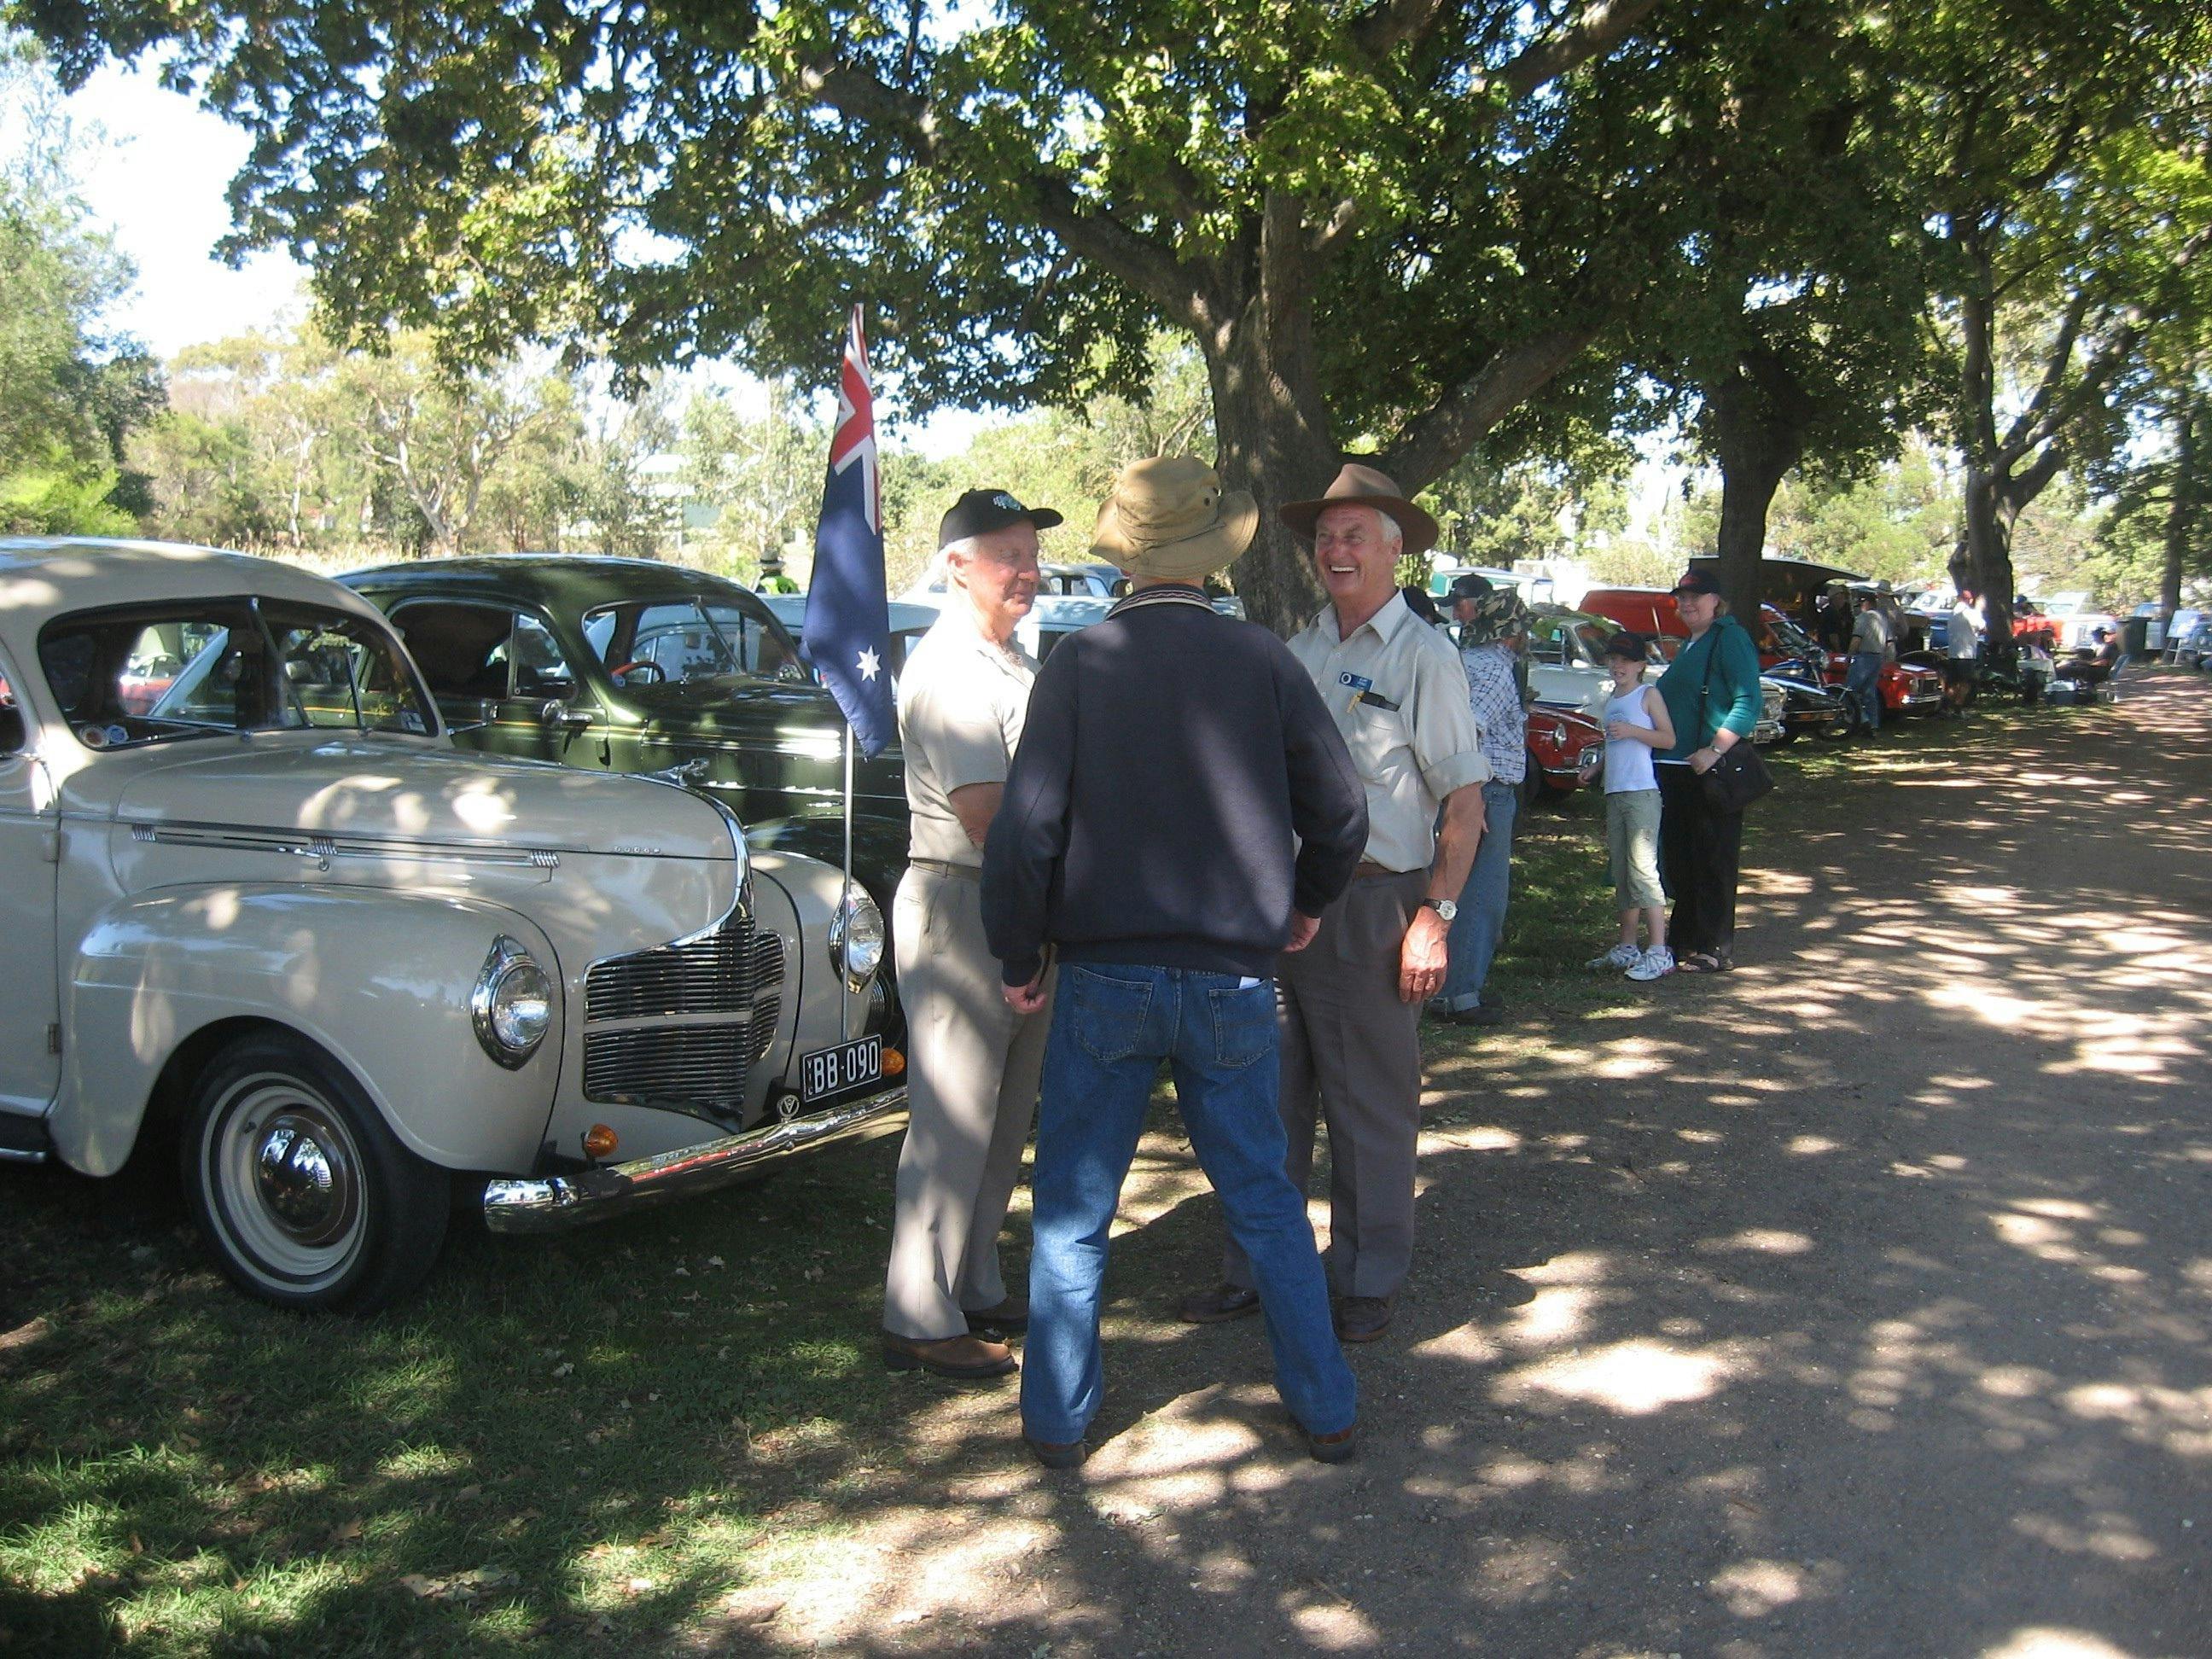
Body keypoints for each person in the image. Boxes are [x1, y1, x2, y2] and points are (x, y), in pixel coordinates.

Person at [981, 456, 1368, 1468]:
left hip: (1105, 975)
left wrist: (1019, 951)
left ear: (1127, 555)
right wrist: (1308, 903)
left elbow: (1024, 835)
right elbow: (1344, 812)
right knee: (1268, 1202)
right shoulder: (1266, 664)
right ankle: (1325, 1407)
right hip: (1234, 976)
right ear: (1210, 556)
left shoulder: (1079, 662)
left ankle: (1057, 1422)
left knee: (1073, 1209)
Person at [1179, 464, 1489, 1345]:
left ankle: (1364, 1277)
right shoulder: (1300, 648)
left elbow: (1464, 805)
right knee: (1262, 1100)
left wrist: (1436, 917)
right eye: (1326, 535)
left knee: (1369, 1105)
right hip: (1279, 907)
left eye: (1356, 534)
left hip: (1371, 907)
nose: (1336, 548)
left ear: (1397, 551)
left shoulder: (1425, 656)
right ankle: (1256, 1267)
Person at [879, 486, 1063, 1380]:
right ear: (958, 565)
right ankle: (918, 1314)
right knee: (952, 1119)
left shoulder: (1012, 661)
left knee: (1000, 1118)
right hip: (968, 903)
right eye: (1008, 556)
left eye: (1031, 553)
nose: (1028, 570)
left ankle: (972, 1281)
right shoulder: (951, 668)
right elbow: (990, 817)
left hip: (1016, 905)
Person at [1654, 568, 1763, 975]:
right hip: (1676, 768)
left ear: (1716, 600)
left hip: (1709, 769)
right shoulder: (1689, 644)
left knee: (1713, 857)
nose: (1686, 603)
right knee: (1682, 858)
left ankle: (1714, 946)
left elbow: (1748, 700)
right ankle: (1682, 938)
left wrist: (1715, 749)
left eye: (1695, 596)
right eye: (1681, 597)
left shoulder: (1728, 637)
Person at [1431, 573, 1528, 1025]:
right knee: (1481, 894)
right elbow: (1466, 733)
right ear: (1510, 630)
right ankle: (1459, 994)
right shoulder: (1492, 671)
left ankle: (1449, 987)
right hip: (1486, 789)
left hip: (1471, 789)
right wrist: (1472, 800)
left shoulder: (1464, 661)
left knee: (1452, 886)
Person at [1583, 632, 1677, 980]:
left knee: (1643, 871)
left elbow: (1668, 739)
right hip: (1616, 792)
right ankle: (1627, 947)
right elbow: (1614, 744)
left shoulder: (1647, 695)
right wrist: (1596, 768)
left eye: (1625, 660)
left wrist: (1633, 732)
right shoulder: (1613, 699)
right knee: (1622, 871)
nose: (1618, 666)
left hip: (1641, 793)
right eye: (1613, 659)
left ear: (1640, 665)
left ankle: (1658, 950)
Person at [1843, 591, 1892, 736]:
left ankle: (1863, 720)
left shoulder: (1863, 617)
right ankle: (1874, 724)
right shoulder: (1882, 618)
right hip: (1878, 657)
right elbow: (1889, 641)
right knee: (1869, 692)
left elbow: (1857, 638)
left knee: (1848, 692)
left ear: (1865, 603)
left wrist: (1849, 655)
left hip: (1864, 657)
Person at [1943, 589, 1982, 716]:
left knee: (1952, 682)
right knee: (1965, 682)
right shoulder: (1970, 613)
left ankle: (1946, 707)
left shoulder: (1952, 614)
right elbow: (1982, 626)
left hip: (1953, 651)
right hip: (1967, 652)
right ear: (1970, 600)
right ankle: (1958, 709)